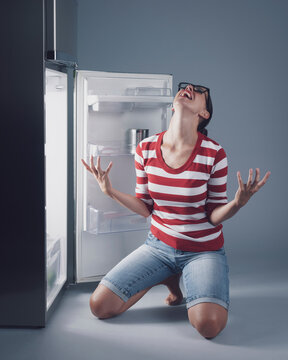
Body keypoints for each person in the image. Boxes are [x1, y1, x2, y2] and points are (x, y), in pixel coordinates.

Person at [81, 82, 271, 339]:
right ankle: (166, 276)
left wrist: (236, 203)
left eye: (199, 91)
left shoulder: (213, 153)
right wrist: (110, 192)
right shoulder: (145, 149)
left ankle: (184, 278)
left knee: (208, 326)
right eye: (184, 87)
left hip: (203, 251)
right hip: (158, 247)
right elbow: (146, 207)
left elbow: (213, 215)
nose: (189, 87)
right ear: (173, 105)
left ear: (204, 114)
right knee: (99, 307)